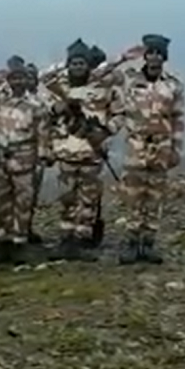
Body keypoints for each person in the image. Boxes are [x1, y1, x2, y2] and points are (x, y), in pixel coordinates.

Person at [42, 39, 123, 261]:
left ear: (89, 65)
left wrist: (106, 132)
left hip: (91, 154)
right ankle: (66, 239)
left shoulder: (103, 88)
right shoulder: (60, 88)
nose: (78, 67)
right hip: (66, 153)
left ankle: (83, 241)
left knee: (88, 202)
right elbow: (48, 111)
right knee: (67, 200)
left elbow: (119, 114)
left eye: (82, 63)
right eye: (74, 63)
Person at [115, 34, 185, 265]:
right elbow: (100, 77)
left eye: (158, 53)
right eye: (150, 52)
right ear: (145, 55)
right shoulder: (129, 80)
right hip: (136, 145)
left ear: (164, 57)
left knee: (154, 197)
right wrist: (121, 58)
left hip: (161, 146)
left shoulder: (173, 84)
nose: (154, 57)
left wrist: (176, 148)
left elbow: (178, 118)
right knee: (134, 197)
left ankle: (149, 243)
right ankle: (132, 243)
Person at [0, 56, 48, 265]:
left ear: (27, 80)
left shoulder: (36, 105)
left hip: (25, 160)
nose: (17, 82)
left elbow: (42, 134)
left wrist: (41, 157)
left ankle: (19, 241)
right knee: (2, 202)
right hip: (1, 160)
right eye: (13, 78)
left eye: (21, 78)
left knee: (23, 203)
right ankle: (1, 241)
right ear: (9, 80)